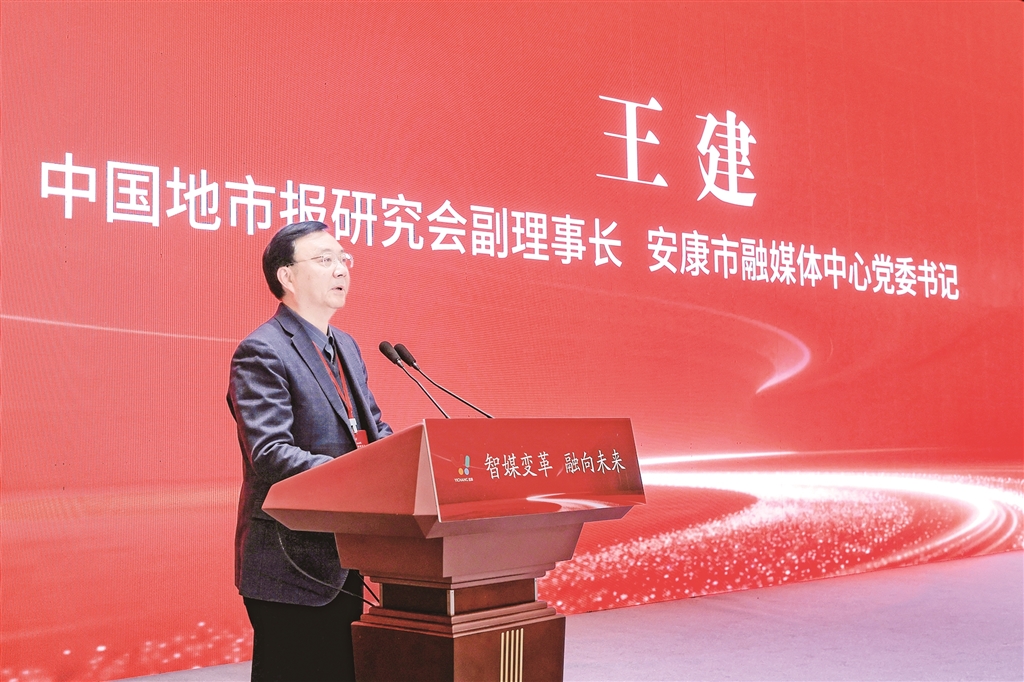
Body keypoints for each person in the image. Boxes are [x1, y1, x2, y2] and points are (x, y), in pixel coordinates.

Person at [227, 220, 392, 681]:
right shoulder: (262, 351)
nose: (341, 269)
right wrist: (361, 473)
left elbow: (373, 428)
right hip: (291, 563)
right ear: (287, 276)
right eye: (325, 259)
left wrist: (408, 460)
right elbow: (271, 453)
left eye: (343, 259)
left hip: (346, 552)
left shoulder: (347, 347)